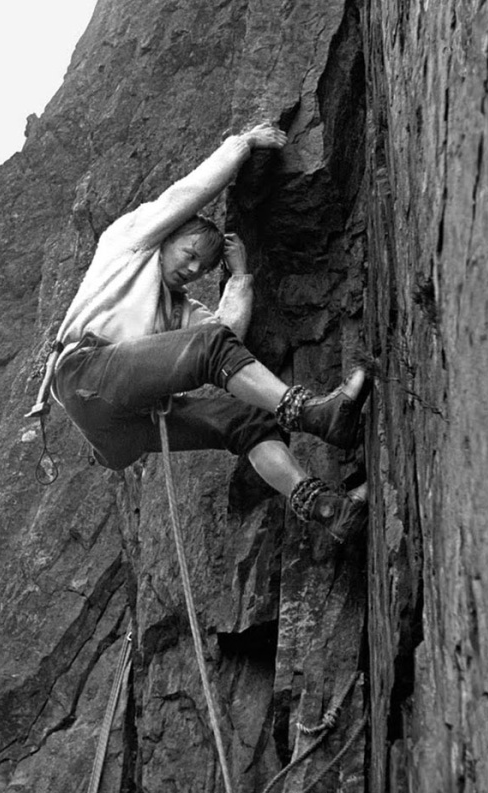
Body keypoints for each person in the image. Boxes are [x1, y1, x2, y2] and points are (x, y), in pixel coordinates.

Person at [27, 123, 369, 541]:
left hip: (123, 428)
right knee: (207, 349)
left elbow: (226, 339)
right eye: (189, 255)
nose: (192, 270)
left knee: (249, 421)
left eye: (203, 268)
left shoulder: (180, 309)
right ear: (166, 238)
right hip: (86, 375)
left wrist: (241, 277)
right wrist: (242, 145)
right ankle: (313, 413)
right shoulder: (130, 244)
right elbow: (186, 194)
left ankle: (326, 508)